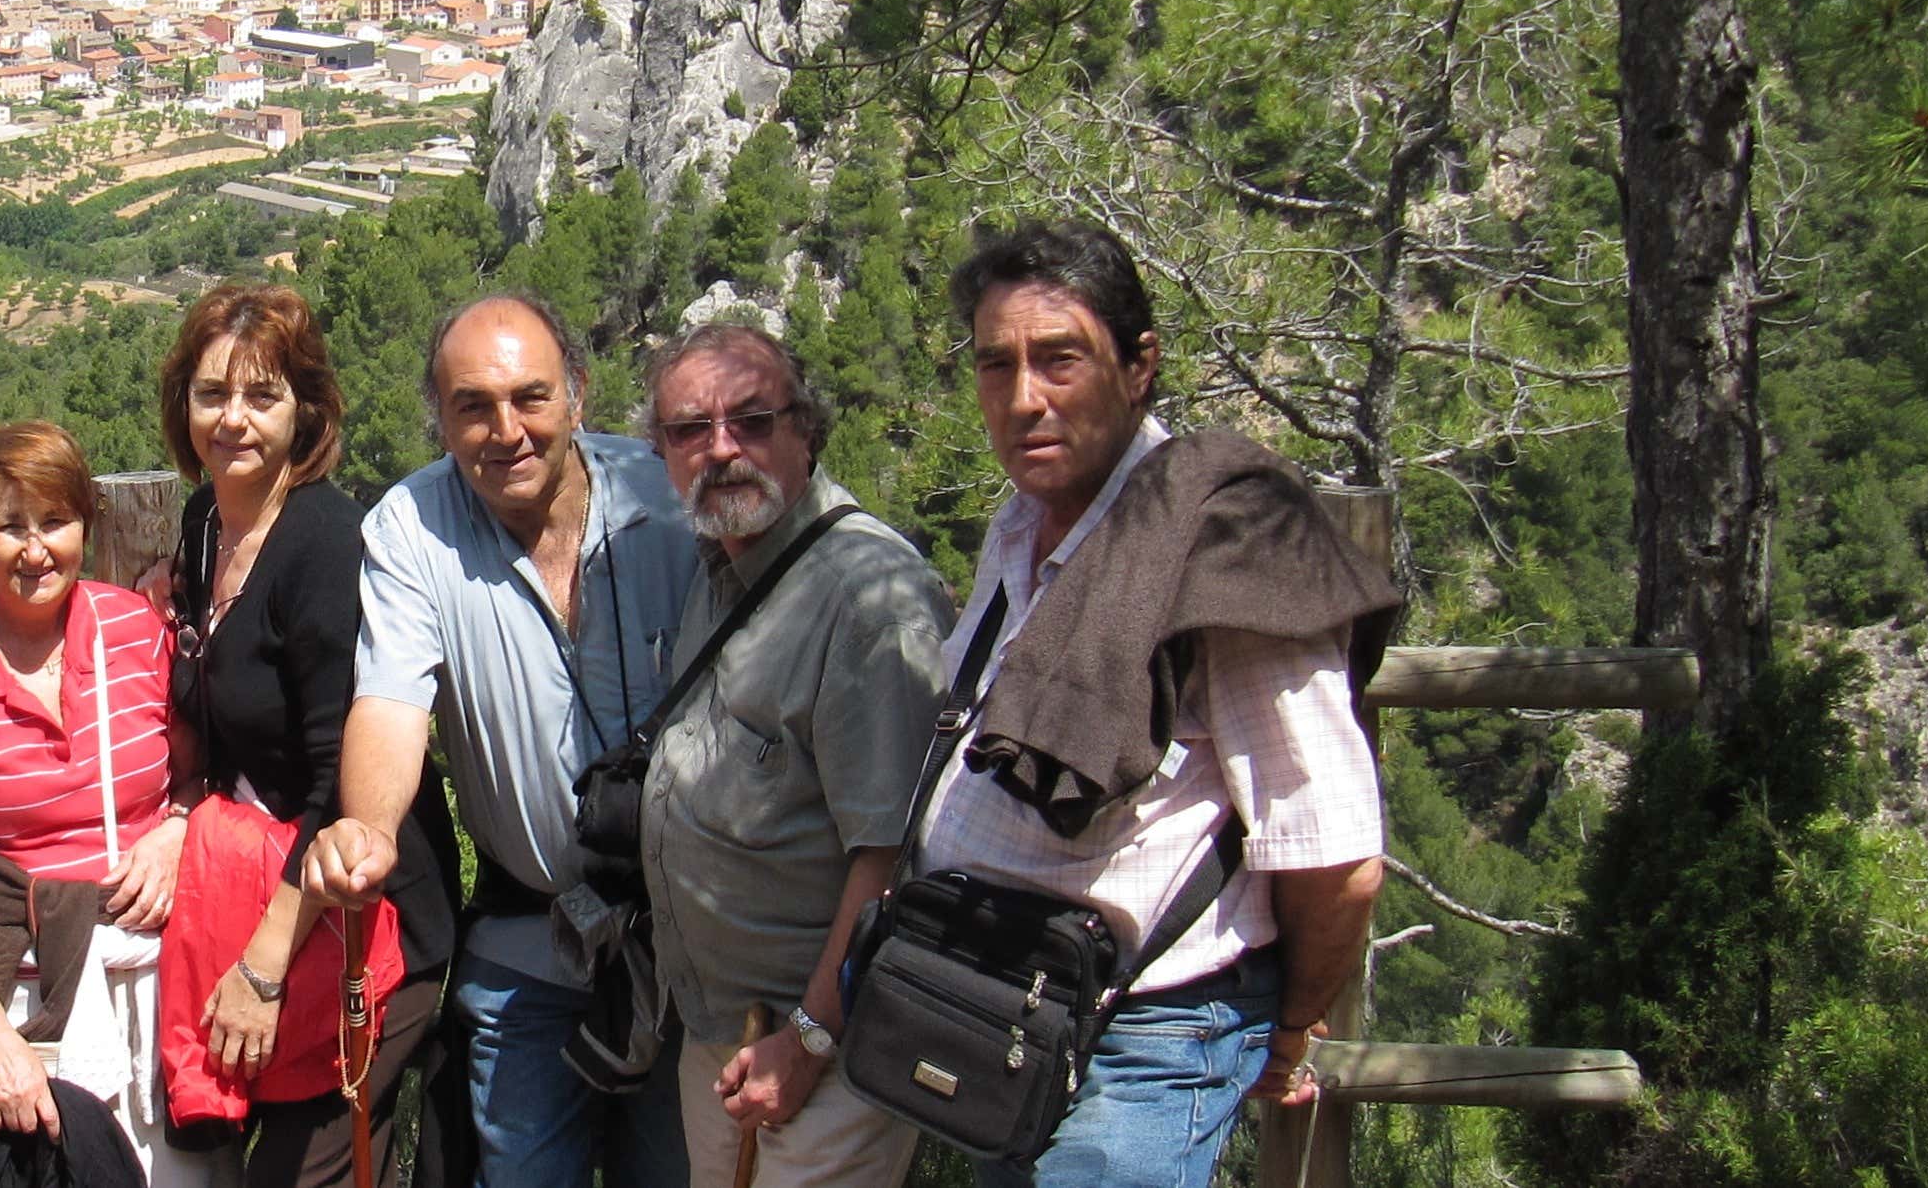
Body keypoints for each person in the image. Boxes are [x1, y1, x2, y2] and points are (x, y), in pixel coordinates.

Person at [916, 221, 1397, 1188]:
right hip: (1007, 1006)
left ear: (1140, 368)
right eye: (995, 366)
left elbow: (1335, 854)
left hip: (1149, 1033)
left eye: (1060, 360)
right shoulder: (1019, 531)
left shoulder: (1225, 547)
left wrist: (1290, 1028)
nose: (1023, 399)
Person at [298, 293, 697, 1188]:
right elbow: (391, 703)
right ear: (438, 416)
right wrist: (367, 826)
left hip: (689, 950)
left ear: (579, 395)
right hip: (533, 945)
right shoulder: (411, 526)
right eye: (472, 405)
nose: (505, 429)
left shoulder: (670, 500)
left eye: (531, 397)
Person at [148, 284, 463, 1188]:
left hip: (369, 922)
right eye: (212, 394)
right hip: (271, 895)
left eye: (262, 395)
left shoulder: (324, 544)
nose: (233, 419)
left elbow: (344, 781)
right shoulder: (207, 522)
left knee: (300, 1170)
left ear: (307, 407)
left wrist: (263, 965)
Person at [630, 324, 948, 1188]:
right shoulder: (718, 567)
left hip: (820, 1053)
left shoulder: (868, 599)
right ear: (661, 452)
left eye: (753, 420)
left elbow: (891, 858)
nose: (721, 449)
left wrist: (809, 1038)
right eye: (690, 429)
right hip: (723, 1031)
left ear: (807, 430)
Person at [0, 421, 218, 1188]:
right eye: (8, 527)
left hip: (165, 990)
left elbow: (197, 773)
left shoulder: (135, 632)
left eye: (55, 522)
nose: (36, 551)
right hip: (26, 1003)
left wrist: (175, 828)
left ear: (84, 527)